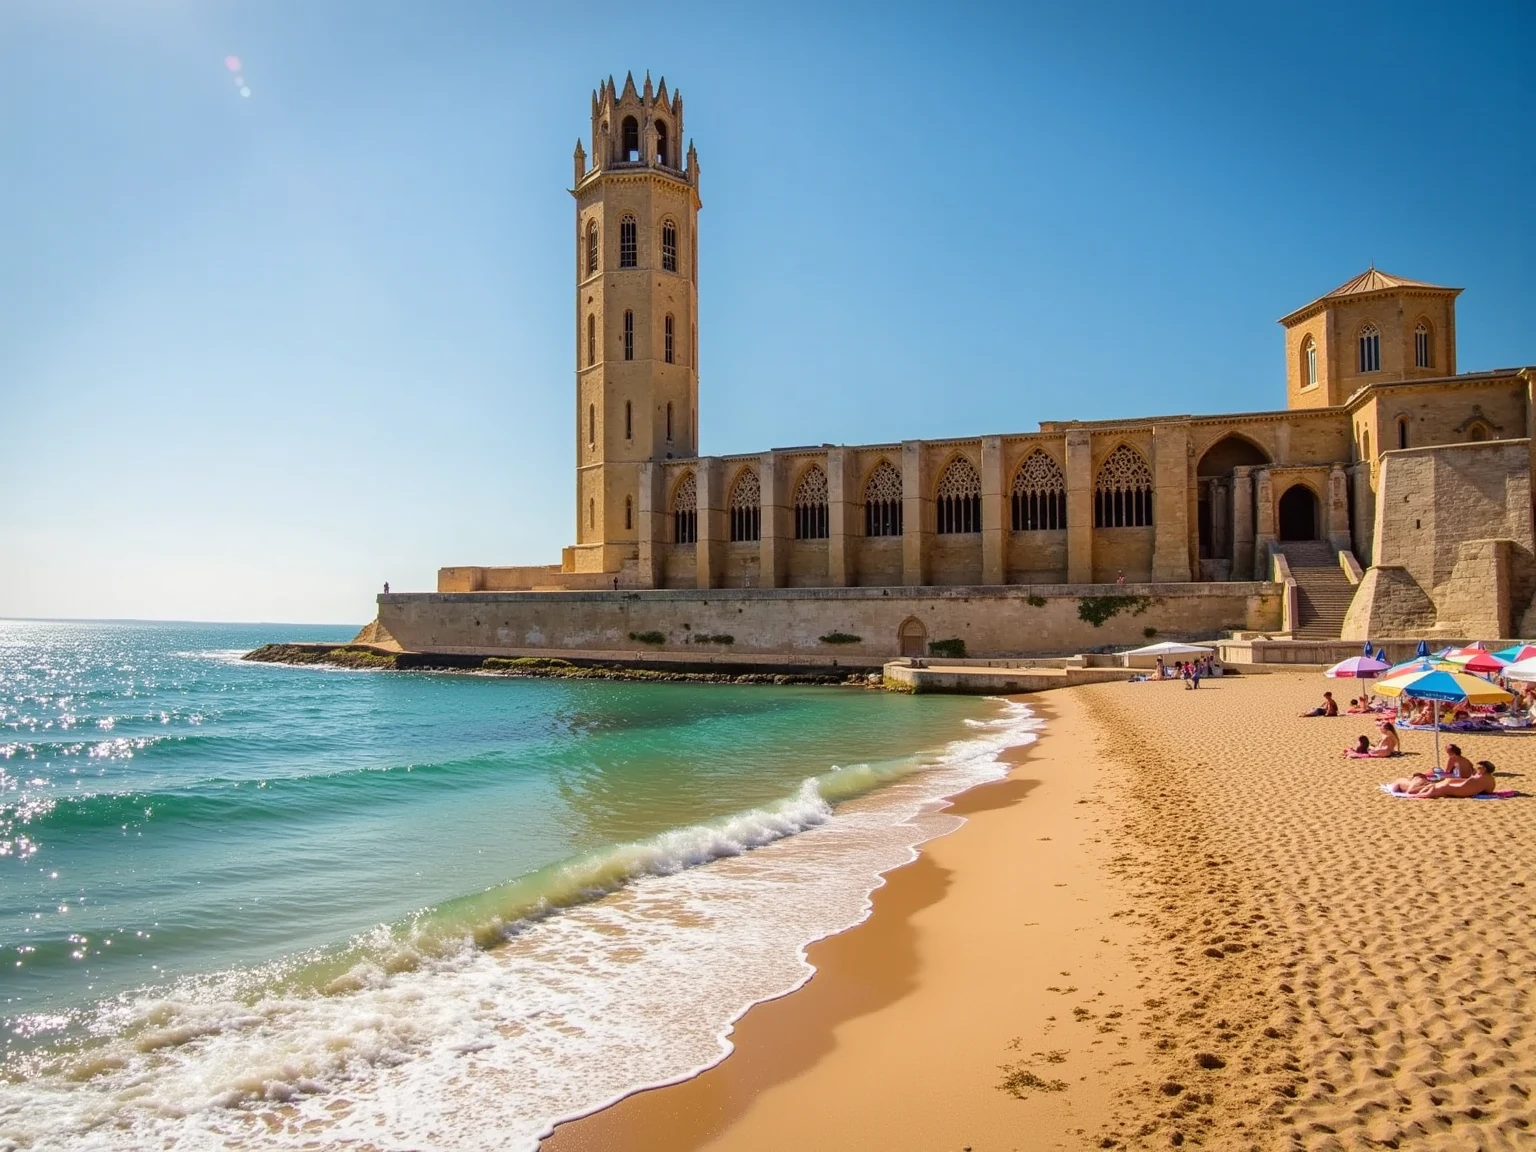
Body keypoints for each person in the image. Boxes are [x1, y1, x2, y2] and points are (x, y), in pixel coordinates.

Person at [1395, 760, 1498, 798]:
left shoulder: (1476, 779)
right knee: (1424, 785)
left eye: (1479, 768)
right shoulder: (1489, 780)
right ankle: (1418, 779)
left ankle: (1417, 779)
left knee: (1411, 790)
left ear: (1484, 769)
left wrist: (1447, 782)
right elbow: (1488, 791)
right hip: (1447, 786)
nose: (1476, 770)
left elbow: (1463, 785)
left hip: (1445, 787)